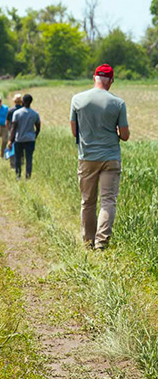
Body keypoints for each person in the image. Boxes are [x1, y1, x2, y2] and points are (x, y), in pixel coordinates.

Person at [70, 64, 130, 250]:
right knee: (108, 200)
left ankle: (88, 241)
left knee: (87, 201)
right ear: (111, 80)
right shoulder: (118, 103)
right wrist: (115, 133)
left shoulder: (77, 99)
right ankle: (101, 243)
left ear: (94, 77)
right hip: (111, 157)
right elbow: (125, 135)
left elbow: (74, 131)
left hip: (87, 157)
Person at [9, 93, 40, 180]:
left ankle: (18, 176)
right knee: (29, 159)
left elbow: (13, 128)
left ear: (23, 101)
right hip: (30, 139)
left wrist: (10, 140)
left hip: (19, 139)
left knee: (18, 158)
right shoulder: (35, 114)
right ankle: (28, 177)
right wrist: (34, 135)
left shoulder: (17, 113)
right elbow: (38, 128)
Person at [7, 94, 24, 168]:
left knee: (11, 147)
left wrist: (9, 130)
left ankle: (12, 164)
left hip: (12, 131)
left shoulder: (10, 110)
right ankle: (21, 162)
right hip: (21, 132)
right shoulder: (23, 110)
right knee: (21, 148)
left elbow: (6, 123)